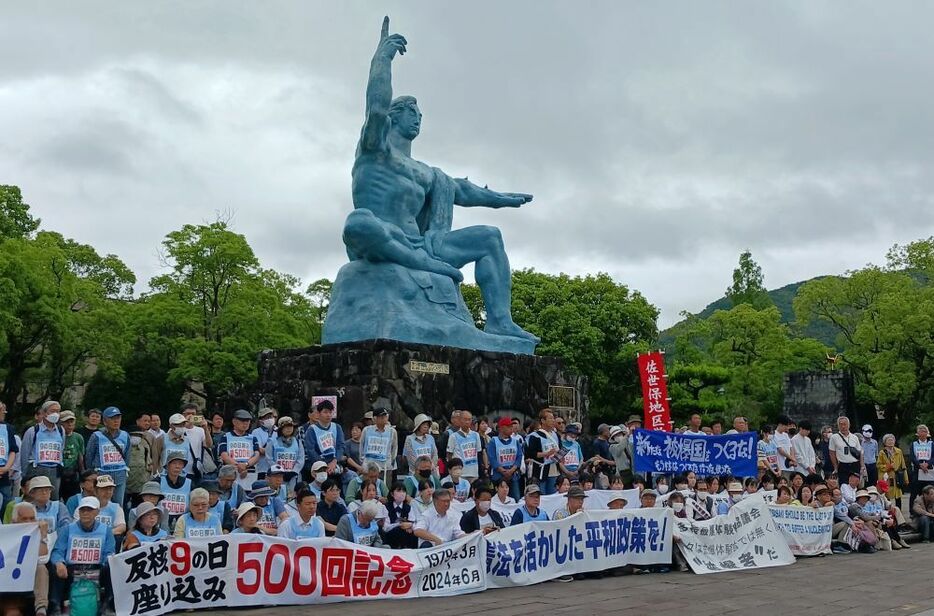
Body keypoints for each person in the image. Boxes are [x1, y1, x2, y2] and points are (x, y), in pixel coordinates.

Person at [49, 496, 116, 616]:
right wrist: (59, 563)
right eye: (82, 510)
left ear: (97, 512)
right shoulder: (67, 529)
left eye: (89, 510)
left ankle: (108, 604)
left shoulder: (106, 530)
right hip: (72, 569)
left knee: (112, 566)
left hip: (96, 568)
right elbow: (57, 551)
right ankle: (55, 606)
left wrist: (106, 563)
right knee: (55, 568)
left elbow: (109, 552)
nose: (85, 513)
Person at [9, 502, 51, 616]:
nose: (29, 522)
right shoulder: (5, 535)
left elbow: (43, 559)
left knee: (41, 568)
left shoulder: (41, 534)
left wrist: (43, 537)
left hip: (30, 577)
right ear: (14, 521)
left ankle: (41, 608)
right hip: (9, 580)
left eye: (32, 519)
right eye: (24, 519)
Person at [85, 406, 131, 508]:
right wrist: (93, 473)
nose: (116, 421)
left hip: (120, 476)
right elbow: (89, 457)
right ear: (105, 421)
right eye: (112, 418)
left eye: (118, 418)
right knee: (100, 504)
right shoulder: (96, 436)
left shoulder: (125, 435)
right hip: (102, 475)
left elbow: (127, 457)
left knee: (118, 506)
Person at [20, 400, 65, 500]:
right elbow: (24, 454)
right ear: (44, 413)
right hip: (36, 469)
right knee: (34, 498)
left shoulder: (61, 430)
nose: (55, 414)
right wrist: (24, 475)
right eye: (52, 411)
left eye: (58, 411)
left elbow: (61, 449)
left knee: (53, 499)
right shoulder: (33, 431)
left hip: (54, 470)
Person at [303, 399, 346, 484]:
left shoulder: (337, 427)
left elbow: (340, 446)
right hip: (319, 465)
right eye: (325, 412)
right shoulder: (312, 429)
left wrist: (334, 461)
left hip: (334, 464)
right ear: (319, 414)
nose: (328, 415)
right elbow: (310, 450)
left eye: (330, 412)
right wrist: (324, 465)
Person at [218, 409, 261, 491]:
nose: (245, 423)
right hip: (232, 475)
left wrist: (246, 465)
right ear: (234, 421)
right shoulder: (225, 437)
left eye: (247, 421)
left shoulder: (253, 438)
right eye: (242, 420)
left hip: (250, 476)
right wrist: (238, 466)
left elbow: (257, 455)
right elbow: (224, 455)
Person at [525, 409, 561, 494]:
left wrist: (559, 456)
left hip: (553, 468)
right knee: (542, 495)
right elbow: (531, 454)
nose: (553, 421)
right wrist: (547, 454)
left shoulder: (556, 435)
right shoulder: (534, 436)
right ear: (543, 420)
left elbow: (560, 449)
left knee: (553, 494)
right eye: (550, 418)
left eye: (553, 418)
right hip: (540, 470)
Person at [487, 417, 523, 500]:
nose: (512, 429)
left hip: (513, 474)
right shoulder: (493, 441)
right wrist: (502, 471)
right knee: (499, 498)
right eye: (509, 427)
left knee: (516, 497)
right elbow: (492, 458)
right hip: (498, 474)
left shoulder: (515, 441)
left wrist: (512, 470)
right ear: (502, 428)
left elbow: (519, 456)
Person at [360, 407, 398, 484]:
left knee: (385, 491)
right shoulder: (366, 430)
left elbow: (394, 448)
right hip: (369, 466)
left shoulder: (392, 431)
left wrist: (390, 462)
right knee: (368, 489)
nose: (384, 418)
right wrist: (363, 462)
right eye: (381, 417)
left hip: (385, 467)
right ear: (375, 418)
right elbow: (361, 447)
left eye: (385, 416)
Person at [447, 409, 484, 481]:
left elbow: (479, 452)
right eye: (465, 419)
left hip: (474, 473)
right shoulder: (453, 436)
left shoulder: (476, 435)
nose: (467, 422)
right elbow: (449, 454)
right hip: (460, 474)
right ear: (460, 420)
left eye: (469, 419)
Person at [160, 452, 193, 531]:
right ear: (168, 466)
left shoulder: (190, 483)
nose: (177, 466)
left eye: (180, 464)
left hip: (183, 522)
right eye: (174, 463)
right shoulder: (158, 481)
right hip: (161, 522)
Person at [58, 410, 85, 502]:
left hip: (73, 473)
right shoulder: (56, 436)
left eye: (71, 421)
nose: (69, 424)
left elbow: (80, 456)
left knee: (73, 500)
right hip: (58, 473)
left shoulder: (78, 437)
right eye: (66, 422)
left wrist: (82, 474)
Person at [383, 481, 418, 548]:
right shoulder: (386, 507)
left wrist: (410, 525)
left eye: (404, 491)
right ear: (392, 494)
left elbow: (413, 522)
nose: (402, 494)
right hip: (391, 537)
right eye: (399, 491)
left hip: (407, 537)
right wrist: (400, 525)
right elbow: (385, 528)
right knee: (399, 530)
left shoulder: (408, 507)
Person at [875, 434, 907, 508]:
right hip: (887, 477)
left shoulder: (899, 451)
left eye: (892, 440)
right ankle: (888, 513)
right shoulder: (882, 452)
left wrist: (906, 478)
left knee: (898, 495)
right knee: (887, 495)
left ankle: (898, 513)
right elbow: (878, 465)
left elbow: (903, 465)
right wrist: (888, 467)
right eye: (888, 440)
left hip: (897, 476)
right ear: (885, 442)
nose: (890, 442)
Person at [829, 416, 862, 486]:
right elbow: (832, 453)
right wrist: (835, 467)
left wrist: (862, 466)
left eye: (845, 424)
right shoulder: (834, 437)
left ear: (849, 425)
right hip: (843, 465)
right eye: (841, 424)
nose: (843, 426)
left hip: (855, 464)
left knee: (855, 486)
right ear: (838, 426)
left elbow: (860, 453)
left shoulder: (854, 437)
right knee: (844, 485)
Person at [0, 401, 19, 516]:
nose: (3, 413)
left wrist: (6, 468)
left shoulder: (8, 428)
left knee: (7, 503)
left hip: (3, 471)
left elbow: (13, 450)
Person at [94, 474, 126, 541]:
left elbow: (122, 527)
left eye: (110, 489)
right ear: (95, 491)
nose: (108, 492)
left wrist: (105, 534)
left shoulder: (116, 507)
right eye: (104, 489)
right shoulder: (85, 506)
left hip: (108, 539)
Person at [910, 424, 934, 512]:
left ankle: (929, 510)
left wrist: (927, 464)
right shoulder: (914, 444)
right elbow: (912, 457)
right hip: (917, 470)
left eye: (925, 431)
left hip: (929, 470)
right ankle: (912, 512)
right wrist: (920, 465)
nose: (923, 433)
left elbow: (933, 457)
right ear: (918, 433)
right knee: (914, 492)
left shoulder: (931, 443)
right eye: (921, 431)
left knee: (930, 491)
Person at [860, 424, 879, 488]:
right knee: (864, 484)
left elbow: (876, 455)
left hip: (873, 465)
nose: (868, 432)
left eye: (870, 431)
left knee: (873, 483)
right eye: (867, 431)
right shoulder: (860, 442)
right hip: (864, 465)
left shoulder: (874, 442)